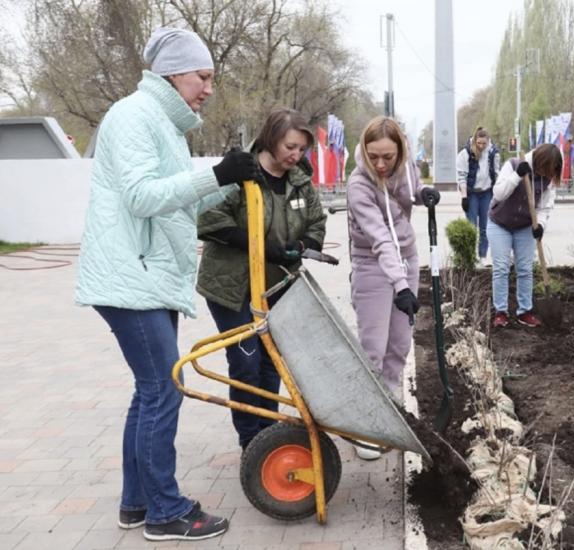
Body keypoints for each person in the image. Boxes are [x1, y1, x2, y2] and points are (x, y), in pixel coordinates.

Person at [75, 27, 263, 541]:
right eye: (203, 77)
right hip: (129, 276)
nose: (208, 88)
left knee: (151, 390)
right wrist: (214, 174)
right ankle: (165, 511)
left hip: (145, 275)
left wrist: (233, 176)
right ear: (173, 73)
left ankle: (137, 505)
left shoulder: (164, 123)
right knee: (164, 389)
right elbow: (140, 197)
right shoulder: (133, 115)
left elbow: (177, 200)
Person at [196, 108, 326, 452]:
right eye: (290, 147)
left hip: (277, 287)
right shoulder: (242, 174)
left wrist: (303, 246)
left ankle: (268, 437)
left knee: (271, 363)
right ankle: (250, 442)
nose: (295, 155)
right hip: (233, 288)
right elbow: (208, 220)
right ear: (271, 138)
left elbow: (316, 223)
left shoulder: (300, 179)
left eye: (301, 149)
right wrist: (260, 247)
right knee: (246, 361)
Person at [346, 116, 440, 458]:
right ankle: (368, 422)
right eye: (374, 157)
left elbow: (411, 191)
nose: (382, 164)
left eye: (389, 156)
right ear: (364, 152)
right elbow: (380, 238)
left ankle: (392, 404)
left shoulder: (403, 165)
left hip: (408, 260)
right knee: (374, 346)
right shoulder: (358, 185)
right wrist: (400, 285)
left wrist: (422, 191)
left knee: (400, 342)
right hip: (373, 265)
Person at [487, 143, 562, 328]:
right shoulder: (513, 165)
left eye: (551, 171)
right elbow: (498, 193)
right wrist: (517, 176)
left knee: (525, 269)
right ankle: (501, 312)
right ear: (539, 161)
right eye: (545, 169)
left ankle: (525, 311)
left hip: (525, 226)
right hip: (500, 223)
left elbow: (544, 207)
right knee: (501, 268)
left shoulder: (548, 179)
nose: (547, 174)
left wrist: (541, 225)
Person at [456, 126, 500, 263]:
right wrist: (464, 197)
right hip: (472, 194)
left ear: (488, 141)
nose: (481, 146)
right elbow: (461, 176)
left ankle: (482, 256)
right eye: (479, 143)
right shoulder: (465, 153)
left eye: (484, 143)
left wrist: (498, 195)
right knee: (471, 226)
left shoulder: (493, 153)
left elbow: (497, 174)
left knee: (485, 227)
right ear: (475, 140)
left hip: (487, 193)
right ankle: (469, 257)